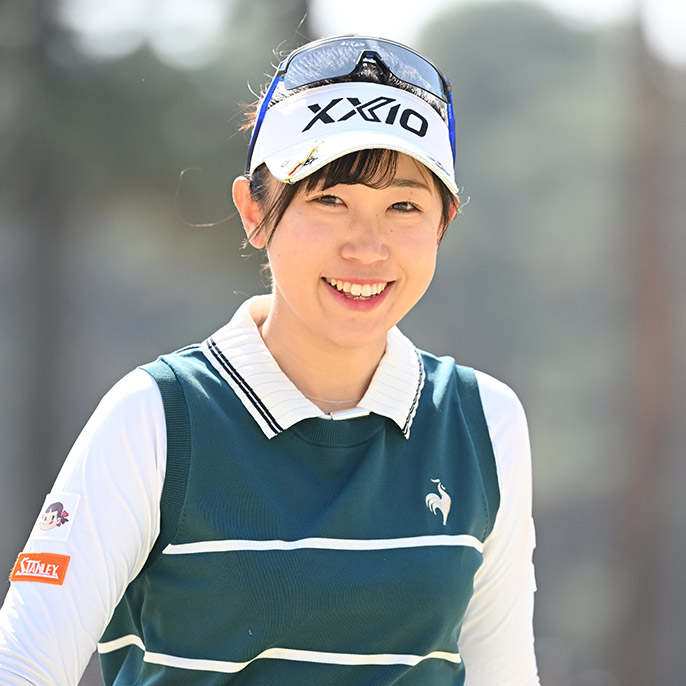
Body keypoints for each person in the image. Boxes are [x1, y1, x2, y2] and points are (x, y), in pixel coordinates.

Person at [0, 35, 540, 685]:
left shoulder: (484, 422)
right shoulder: (156, 417)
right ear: (254, 211)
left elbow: (504, 674)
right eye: (329, 200)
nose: (367, 247)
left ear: (443, 221)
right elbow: (22, 666)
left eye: (404, 205)